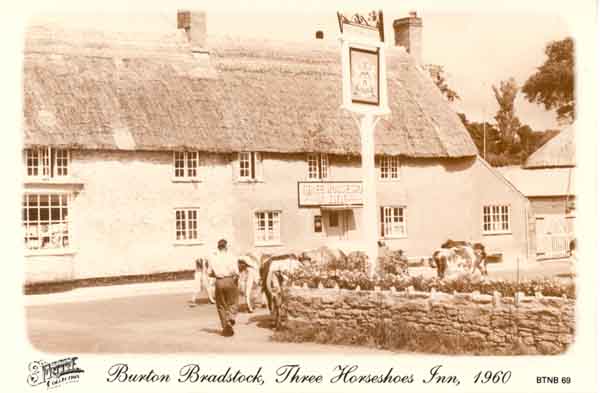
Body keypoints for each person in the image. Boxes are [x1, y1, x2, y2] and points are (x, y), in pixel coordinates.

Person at [207, 239, 239, 337]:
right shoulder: (232, 256)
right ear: (226, 247)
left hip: (219, 281)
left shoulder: (213, 258)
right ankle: (231, 318)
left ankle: (225, 325)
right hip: (230, 280)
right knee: (233, 302)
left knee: (221, 305)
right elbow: (236, 272)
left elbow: (209, 273)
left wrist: (217, 275)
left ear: (218, 247)